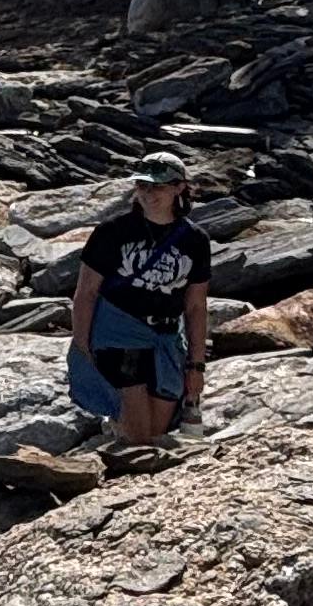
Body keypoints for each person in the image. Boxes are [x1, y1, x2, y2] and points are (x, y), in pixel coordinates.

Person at [67, 155, 213, 454]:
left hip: (166, 340)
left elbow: (196, 306)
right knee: (140, 439)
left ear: (179, 188)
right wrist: (82, 346)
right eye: (142, 185)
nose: (148, 193)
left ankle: (116, 434)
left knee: (157, 431)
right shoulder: (113, 231)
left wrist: (196, 365)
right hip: (118, 337)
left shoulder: (195, 240)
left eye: (157, 186)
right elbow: (86, 293)